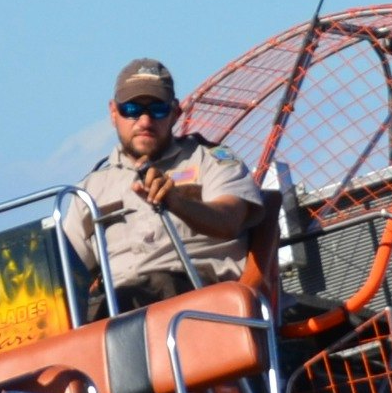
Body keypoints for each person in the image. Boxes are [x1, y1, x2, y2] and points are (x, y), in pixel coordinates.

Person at [58, 55, 265, 314]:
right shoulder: (88, 192)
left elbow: (230, 218)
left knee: (154, 288)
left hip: (200, 300)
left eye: (157, 110)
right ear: (113, 113)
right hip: (117, 309)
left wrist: (177, 202)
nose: (144, 122)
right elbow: (62, 272)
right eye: (131, 110)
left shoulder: (211, 161)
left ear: (175, 113)